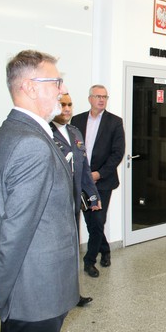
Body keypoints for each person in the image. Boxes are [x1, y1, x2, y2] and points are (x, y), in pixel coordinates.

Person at [0, 50, 79, 332]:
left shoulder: (14, 131)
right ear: (30, 87)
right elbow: (13, 231)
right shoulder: (30, 144)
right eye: (55, 82)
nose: (62, 89)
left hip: (29, 290)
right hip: (36, 294)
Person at [51, 92, 102, 306]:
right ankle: (52, 297)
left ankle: (72, 294)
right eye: (62, 104)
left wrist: (93, 196)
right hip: (53, 206)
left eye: (70, 104)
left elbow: (84, 168)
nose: (67, 109)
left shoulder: (74, 132)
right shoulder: (44, 132)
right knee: (55, 253)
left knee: (72, 250)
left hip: (73, 203)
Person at [71, 85, 125, 278]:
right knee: (91, 221)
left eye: (105, 97)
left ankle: (89, 261)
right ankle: (105, 249)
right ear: (90, 99)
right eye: (98, 96)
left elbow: (117, 153)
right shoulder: (77, 120)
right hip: (82, 180)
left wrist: (99, 174)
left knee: (98, 220)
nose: (102, 100)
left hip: (103, 181)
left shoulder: (115, 122)